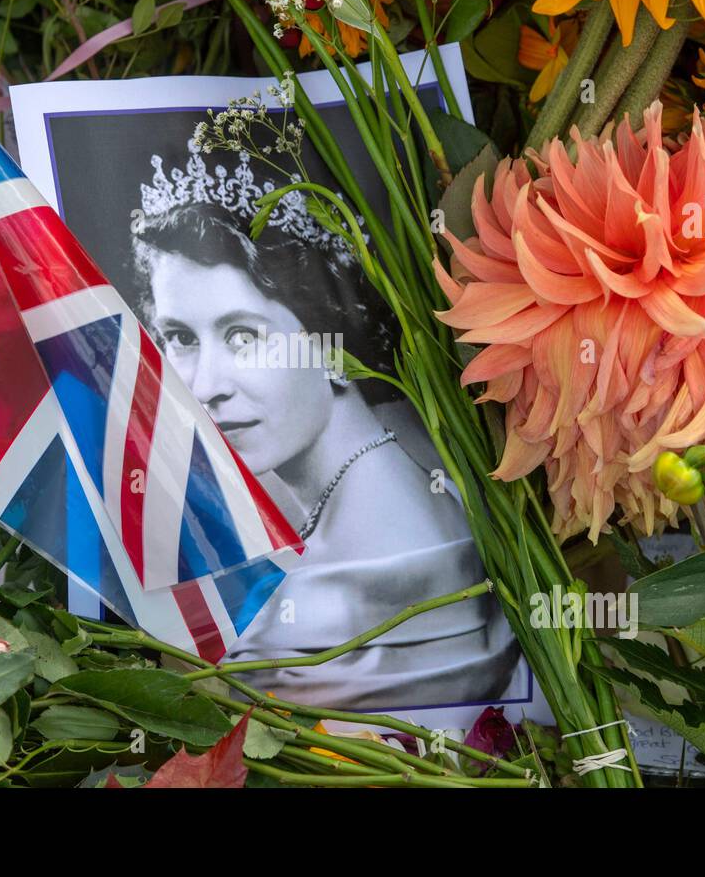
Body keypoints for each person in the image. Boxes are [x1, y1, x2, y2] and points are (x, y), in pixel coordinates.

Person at [130, 145, 518, 710]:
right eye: (181, 339)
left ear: (333, 343)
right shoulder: (397, 437)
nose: (205, 385)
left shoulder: (331, 595)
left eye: (243, 336)